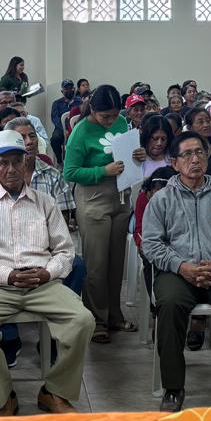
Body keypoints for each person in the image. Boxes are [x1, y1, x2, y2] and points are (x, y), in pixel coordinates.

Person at [0, 131, 94, 415]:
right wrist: (7, 275)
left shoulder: (45, 202)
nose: (11, 169)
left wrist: (48, 273)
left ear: (26, 163)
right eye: (4, 162)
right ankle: (4, 396)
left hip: (43, 284)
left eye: (17, 161)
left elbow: (65, 251)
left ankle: (54, 391)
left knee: (83, 320)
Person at [141, 132, 211, 411]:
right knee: (170, 305)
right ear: (174, 162)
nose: (195, 159)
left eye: (200, 153)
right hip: (177, 272)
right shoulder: (162, 199)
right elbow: (151, 244)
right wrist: (181, 266)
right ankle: (173, 387)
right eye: (187, 154)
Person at [63, 84, 140, 342]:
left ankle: (114, 314)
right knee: (96, 264)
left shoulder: (121, 123)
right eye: (105, 116)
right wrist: (102, 171)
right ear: (93, 110)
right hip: (93, 197)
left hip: (120, 196)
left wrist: (137, 155)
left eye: (114, 115)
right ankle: (96, 319)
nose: (110, 121)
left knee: (116, 262)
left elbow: (125, 154)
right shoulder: (81, 132)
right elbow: (70, 172)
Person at [50, 79, 79, 160]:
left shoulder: (80, 102)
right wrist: (64, 129)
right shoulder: (56, 103)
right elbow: (55, 118)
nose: (69, 90)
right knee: (55, 139)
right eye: (66, 88)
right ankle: (59, 161)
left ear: (74, 89)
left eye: (71, 88)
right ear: (62, 91)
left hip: (76, 127)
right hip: (61, 128)